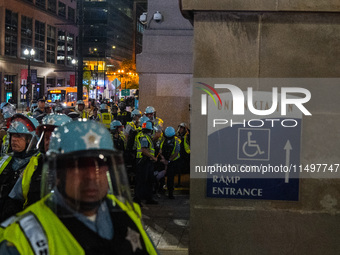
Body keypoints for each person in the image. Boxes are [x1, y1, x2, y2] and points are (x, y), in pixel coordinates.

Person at [0, 121, 158, 255]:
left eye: (100, 165)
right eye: (79, 166)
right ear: (58, 173)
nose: (92, 176)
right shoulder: (24, 239)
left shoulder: (126, 212)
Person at [0, 114, 39, 221]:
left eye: (19, 136)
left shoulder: (37, 164)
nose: (14, 140)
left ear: (31, 139)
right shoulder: (5, 159)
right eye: (12, 135)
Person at [134, 120, 158, 205]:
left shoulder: (146, 136)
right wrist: (153, 158)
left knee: (149, 180)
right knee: (142, 181)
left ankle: (148, 198)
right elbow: (144, 150)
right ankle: (137, 199)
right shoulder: (143, 137)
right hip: (143, 161)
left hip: (147, 161)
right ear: (149, 129)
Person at [159, 126, 181, 199]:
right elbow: (161, 150)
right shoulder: (166, 140)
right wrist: (164, 160)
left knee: (170, 178)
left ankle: (170, 193)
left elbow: (176, 153)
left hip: (172, 161)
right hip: (167, 160)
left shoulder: (175, 141)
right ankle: (162, 189)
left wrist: (167, 161)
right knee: (165, 177)